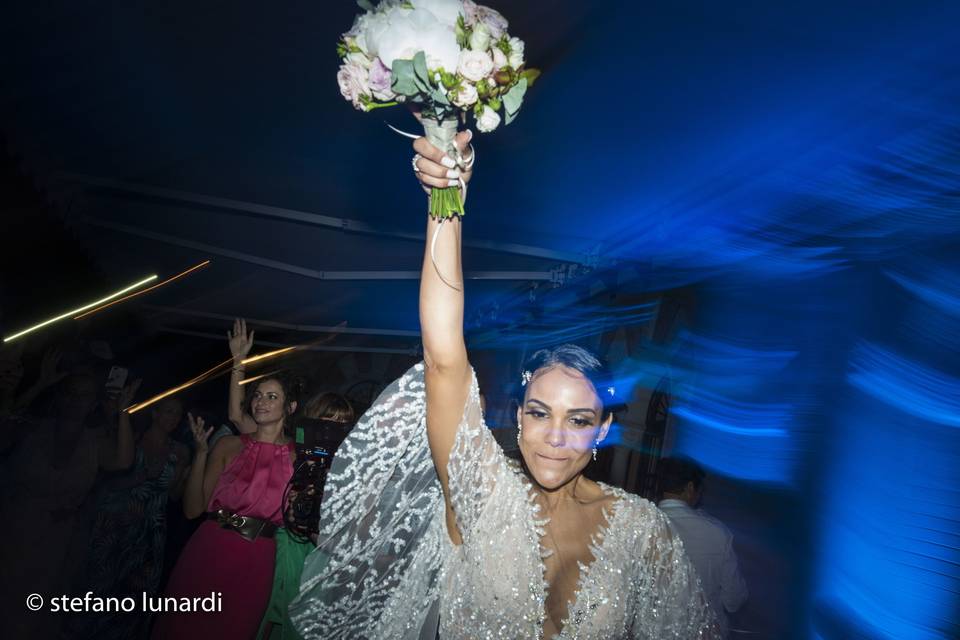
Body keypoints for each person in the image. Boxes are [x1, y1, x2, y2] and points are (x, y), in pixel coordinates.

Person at [290, 131, 719, 639]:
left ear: (603, 429)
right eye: (540, 412)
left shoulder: (641, 529)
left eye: (578, 420)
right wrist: (446, 200)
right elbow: (443, 356)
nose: (555, 437)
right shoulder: (481, 493)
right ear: (518, 417)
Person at [150, 337, 301, 640]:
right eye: (258, 395)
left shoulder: (299, 457)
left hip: (257, 559)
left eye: (272, 397)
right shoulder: (230, 445)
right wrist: (202, 453)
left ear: (290, 406)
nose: (261, 401)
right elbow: (192, 509)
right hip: (210, 548)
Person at [0, 369, 136, 639]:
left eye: (84, 395)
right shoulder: (32, 426)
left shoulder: (95, 439)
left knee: (37, 606)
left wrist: (123, 412)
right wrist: (38, 384)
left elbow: (122, 460)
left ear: (94, 401)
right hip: (13, 528)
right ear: (61, 396)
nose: (76, 400)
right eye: (72, 392)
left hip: (56, 537)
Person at [71, 394, 190, 640]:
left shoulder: (180, 451)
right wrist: (142, 476)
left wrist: (185, 474)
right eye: (168, 411)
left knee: (135, 594)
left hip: (150, 531)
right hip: (116, 522)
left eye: (177, 414)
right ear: (155, 413)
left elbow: (175, 497)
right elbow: (104, 484)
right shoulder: (132, 439)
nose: (173, 418)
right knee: (99, 586)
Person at [657, 457, 748, 638]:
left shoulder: (643, 523)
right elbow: (734, 600)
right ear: (690, 488)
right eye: (700, 490)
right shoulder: (717, 532)